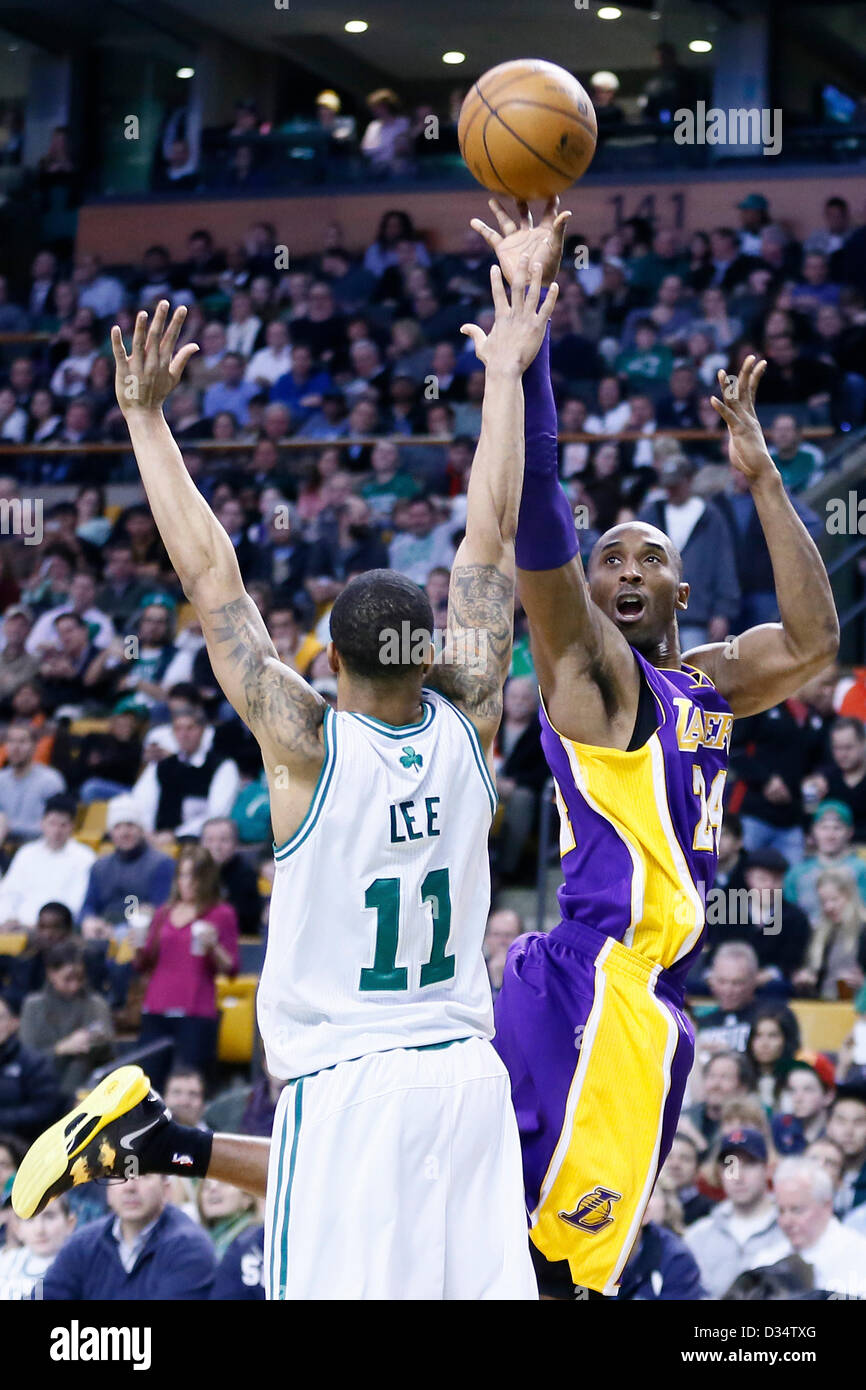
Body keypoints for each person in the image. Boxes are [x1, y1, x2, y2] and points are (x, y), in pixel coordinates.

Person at [12, 263, 558, 1299]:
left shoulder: (302, 741)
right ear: (424, 647)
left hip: (346, 1084)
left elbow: (210, 577)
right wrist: (503, 371)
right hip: (465, 1075)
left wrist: (145, 421)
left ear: (333, 662)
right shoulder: (476, 705)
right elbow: (488, 528)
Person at [432, 196, 838, 1299]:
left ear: (676, 585)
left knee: (555, 1264)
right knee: (535, 1267)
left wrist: (759, 479)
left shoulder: (702, 676)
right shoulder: (593, 680)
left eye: (642, 555)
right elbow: (541, 512)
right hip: (592, 982)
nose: (616, 567)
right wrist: (528, 345)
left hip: (645, 998)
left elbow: (812, 641)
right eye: (606, 555)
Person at [133, 845, 239, 1078]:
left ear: (207, 878)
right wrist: (137, 944)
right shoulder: (163, 912)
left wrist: (214, 946)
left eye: (194, 875)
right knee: (148, 1085)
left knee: (189, 1082)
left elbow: (231, 969)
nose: (187, 882)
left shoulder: (221, 913)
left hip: (196, 1010)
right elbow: (142, 964)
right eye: (182, 874)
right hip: (156, 1007)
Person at [40, 1173, 215, 1300]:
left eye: (143, 1174)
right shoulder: (82, 1243)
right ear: (108, 1190)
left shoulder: (191, 1247)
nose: (130, 1186)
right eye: (120, 1175)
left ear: (166, 1190)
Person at [684, 1127, 783, 1300]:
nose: (738, 1176)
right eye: (729, 1165)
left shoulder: (788, 1229)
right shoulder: (697, 1236)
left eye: (750, 1163)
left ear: (767, 1169)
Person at [18, 940, 113, 1095]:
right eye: (68, 979)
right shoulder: (33, 1005)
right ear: (51, 974)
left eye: (80, 978)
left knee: (79, 1063)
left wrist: (93, 1041)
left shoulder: (95, 1004)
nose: (75, 985)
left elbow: (110, 1053)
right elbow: (26, 1057)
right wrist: (61, 1048)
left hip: (87, 1084)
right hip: (41, 1084)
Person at [768, 1156, 866, 1296]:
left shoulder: (860, 1256)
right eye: (781, 1211)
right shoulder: (767, 1259)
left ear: (827, 1206)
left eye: (796, 1210)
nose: (786, 1221)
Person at [79, 794, 174, 938]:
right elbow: (88, 905)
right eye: (117, 827)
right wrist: (89, 920)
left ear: (141, 829)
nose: (124, 833)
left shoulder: (162, 864)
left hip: (142, 934)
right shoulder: (99, 866)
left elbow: (162, 909)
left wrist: (122, 930)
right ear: (111, 832)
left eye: (130, 825)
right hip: (103, 929)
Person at [0, 796, 95, 929]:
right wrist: (6, 919)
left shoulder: (84, 857)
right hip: (17, 926)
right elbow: (9, 893)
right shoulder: (26, 853)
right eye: (52, 823)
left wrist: (43, 926)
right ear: (42, 823)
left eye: (63, 825)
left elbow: (77, 901)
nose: (57, 831)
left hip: (58, 930)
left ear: (72, 827)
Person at [784, 800, 866, 921]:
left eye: (837, 828)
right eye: (824, 828)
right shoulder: (797, 872)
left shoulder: (861, 869)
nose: (830, 835)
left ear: (850, 832)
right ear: (814, 831)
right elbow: (788, 913)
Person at [0, 992, 64, 1142]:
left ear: (14, 1022)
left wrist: (3, 1119)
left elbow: (46, 1109)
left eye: (0, 1018)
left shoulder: (34, 1061)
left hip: (22, 1143)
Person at [0, 721, 65, 844]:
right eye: (11, 741)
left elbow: (57, 826)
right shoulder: (1, 779)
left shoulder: (50, 780)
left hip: (37, 846)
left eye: (22, 741)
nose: (15, 747)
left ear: (35, 746)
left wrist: (9, 827)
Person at [0, 1194, 75, 1299]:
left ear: (70, 1223)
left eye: (49, 1216)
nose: (39, 1229)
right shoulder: (5, 1262)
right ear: (17, 1228)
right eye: (30, 1219)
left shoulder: (76, 1271)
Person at [200, 817, 262, 936]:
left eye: (224, 840)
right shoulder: (193, 872)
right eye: (209, 840)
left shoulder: (246, 874)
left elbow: (248, 919)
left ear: (235, 844)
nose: (216, 846)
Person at [771, 1055, 835, 1155]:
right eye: (792, 1089)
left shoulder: (837, 1133)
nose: (797, 1098)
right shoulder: (779, 1125)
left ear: (828, 1096)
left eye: (808, 1089)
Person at [825, 1084, 866, 1216]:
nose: (849, 1131)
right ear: (828, 1126)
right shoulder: (813, 1174)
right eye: (841, 1121)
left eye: (858, 1122)